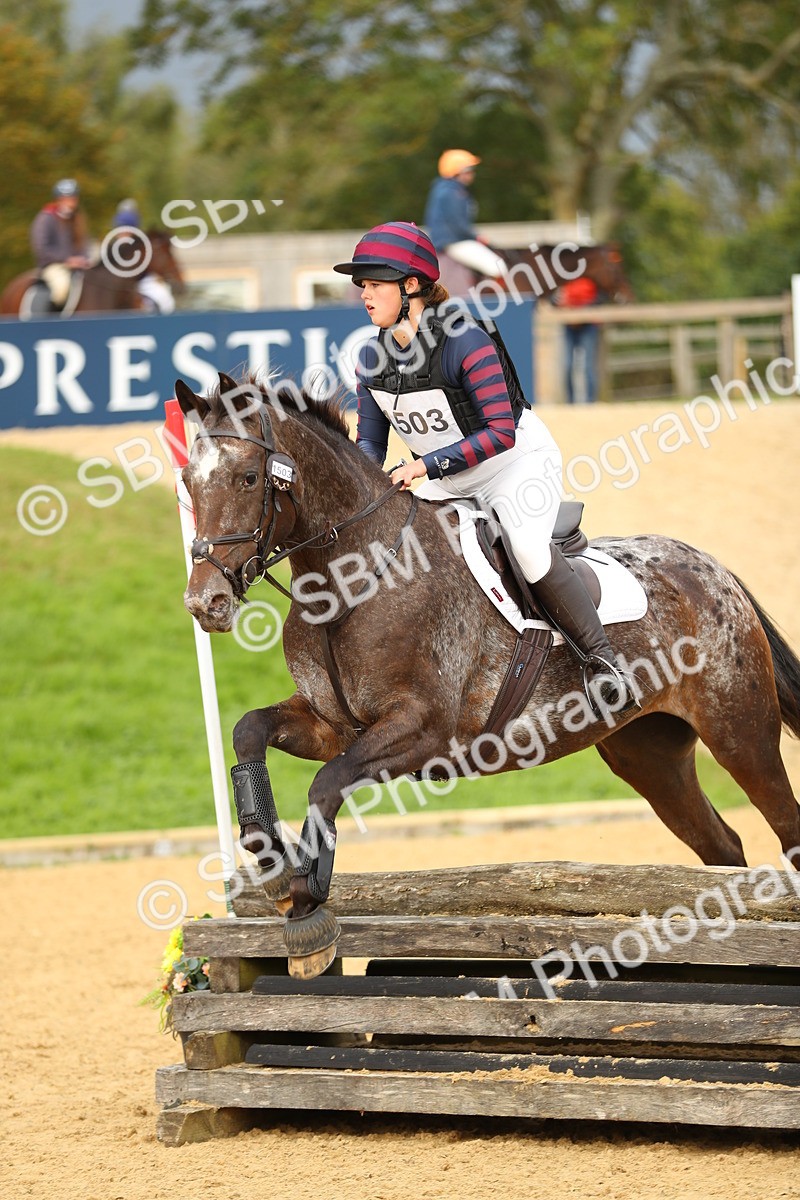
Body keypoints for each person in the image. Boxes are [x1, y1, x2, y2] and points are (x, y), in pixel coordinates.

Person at [333, 221, 639, 717]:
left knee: (526, 549)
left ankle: (602, 663)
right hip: (446, 479)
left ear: (411, 286)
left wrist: (423, 465)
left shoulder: (464, 341)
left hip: (513, 466)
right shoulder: (372, 356)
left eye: (374, 284)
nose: (364, 295)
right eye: (361, 286)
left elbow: (501, 432)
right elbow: (370, 441)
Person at [423, 149, 505, 282]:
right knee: (498, 267)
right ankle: (497, 300)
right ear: (456, 172)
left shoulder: (450, 190)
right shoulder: (451, 193)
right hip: (453, 242)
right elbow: (458, 224)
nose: (472, 174)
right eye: (469, 170)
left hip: (453, 240)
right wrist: (477, 237)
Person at [29, 179, 91, 309]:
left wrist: (84, 259)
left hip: (78, 267)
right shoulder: (45, 219)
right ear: (58, 199)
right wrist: (67, 260)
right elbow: (41, 248)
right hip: (54, 266)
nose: (70, 203)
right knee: (61, 288)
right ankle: (52, 322)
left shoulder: (78, 219)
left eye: (73, 199)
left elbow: (84, 244)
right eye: (65, 199)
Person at [111, 199, 176, 314]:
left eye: (128, 230)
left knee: (164, 298)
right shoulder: (110, 248)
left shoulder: (142, 247)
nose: (124, 234)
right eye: (121, 230)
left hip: (142, 284)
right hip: (118, 286)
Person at [560, 276, 601, 404]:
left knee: (588, 366)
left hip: (588, 326)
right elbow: (557, 302)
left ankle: (591, 402)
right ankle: (570, 402)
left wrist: (578, 310)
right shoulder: (565, 282)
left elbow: (598, 301)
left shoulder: (589, 281)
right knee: (567, 365)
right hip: (569, 326)